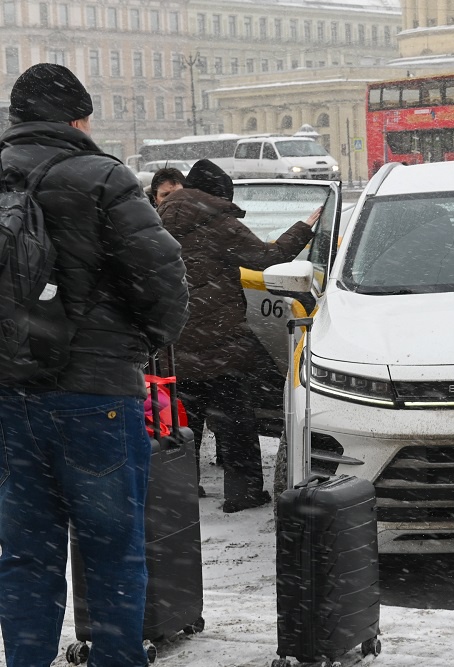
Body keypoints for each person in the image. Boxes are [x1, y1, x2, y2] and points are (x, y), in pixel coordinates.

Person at [0, 64, 189, 667]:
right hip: (97, 392)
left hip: (7, 392)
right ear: (80, 119)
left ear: (15, 118)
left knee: (25, 553)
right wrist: (142, 342)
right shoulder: (102, 177)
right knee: (112, 550)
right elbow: (163, 280)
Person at [157, 159, 319, 513]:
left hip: (174, 342)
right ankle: (241, 493)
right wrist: (303, 228)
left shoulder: (157, 218)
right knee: (234, 422)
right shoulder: (217, 223)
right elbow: (268, 257)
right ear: (218, 194)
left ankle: (179, 489)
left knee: (183, 418)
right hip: (221, 344)